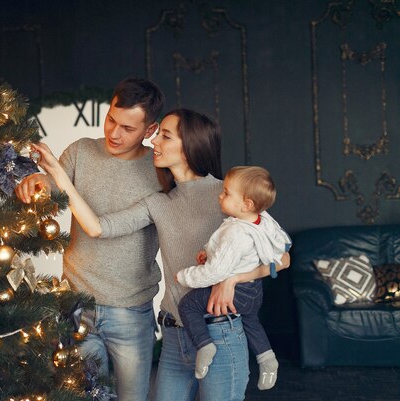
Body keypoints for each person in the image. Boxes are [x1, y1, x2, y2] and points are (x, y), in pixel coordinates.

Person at [30, 108, 290, 401]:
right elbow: (97, 228)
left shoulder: (227, 195)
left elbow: (282, 258)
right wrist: (56, 172)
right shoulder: (158, 203)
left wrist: (233, 280)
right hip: (174, 334)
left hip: (220, 331)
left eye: (165, 136)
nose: (154, 141)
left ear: (191, 146)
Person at [15, 78, 164, 401]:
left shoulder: (160, 172)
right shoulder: (81, 150)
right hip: (77, 304)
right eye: (111, 119)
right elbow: (54, 186)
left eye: (127, 127)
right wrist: (37, 180)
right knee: (80, 396)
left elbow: (102, 226)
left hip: (130, 311)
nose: (114, 132)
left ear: (149, 130)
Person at [176, 166, 292, 390]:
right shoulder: (260, 220)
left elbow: (215, 273)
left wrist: (184, 276)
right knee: (251, 321)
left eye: (227, 193)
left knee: (188, 305)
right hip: (253, 290)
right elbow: (233, 253)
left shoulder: (236, 232)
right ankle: (267, 359)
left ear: (246, 204)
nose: (220, 195)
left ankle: (204, 345)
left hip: (236, 293)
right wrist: (208, 252)